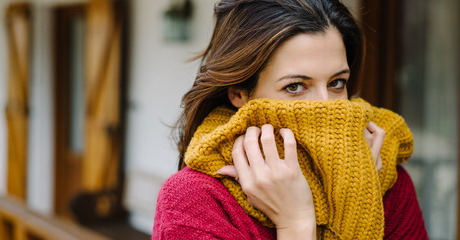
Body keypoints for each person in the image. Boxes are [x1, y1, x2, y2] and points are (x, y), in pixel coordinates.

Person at [153, 0, 428, 239]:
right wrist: (297, 224)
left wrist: (356, 192)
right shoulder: (198, 200)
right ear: (239, 93)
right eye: (295, 87)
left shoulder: (383, 177)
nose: (326, 107)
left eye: (336, 83)